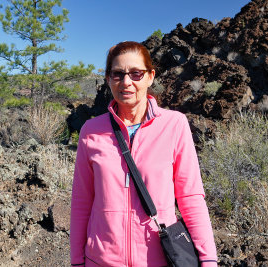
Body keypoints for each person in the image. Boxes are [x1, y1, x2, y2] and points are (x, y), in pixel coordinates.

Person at [70, 41, 218, 266]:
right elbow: (82, 202)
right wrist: (77, 261)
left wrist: (208, 260)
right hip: (100, 261)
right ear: (108, 79)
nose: (126, 82)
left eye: (136, 74)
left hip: (158, 259)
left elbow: (191, 198)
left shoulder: (174, 125)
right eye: (117, 74)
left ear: (150, 77)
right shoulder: (91, 131)